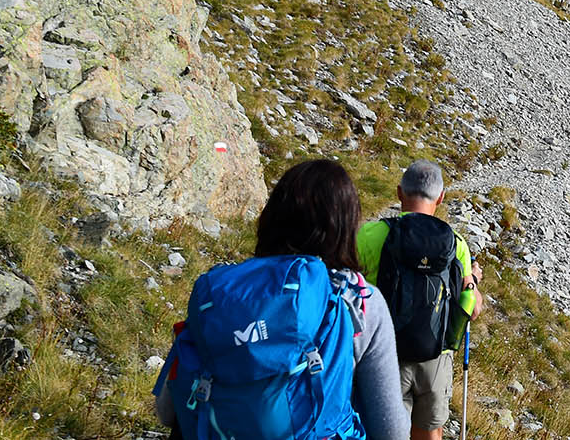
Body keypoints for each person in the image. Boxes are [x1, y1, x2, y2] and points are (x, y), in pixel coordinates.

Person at [154, 159, 409, 440]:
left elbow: (166, 411)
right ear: (345, 227)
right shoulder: (359, 300)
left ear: (272, 216)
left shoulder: (226, 293)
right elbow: (392, 432)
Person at [357, 161, 482, 440]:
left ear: (399, 192)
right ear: (441, 198)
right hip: (435, 355)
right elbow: (471, 308)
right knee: (429, 432)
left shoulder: (370, 235)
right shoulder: (456, 244)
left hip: (384, 354)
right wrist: (473, 280)